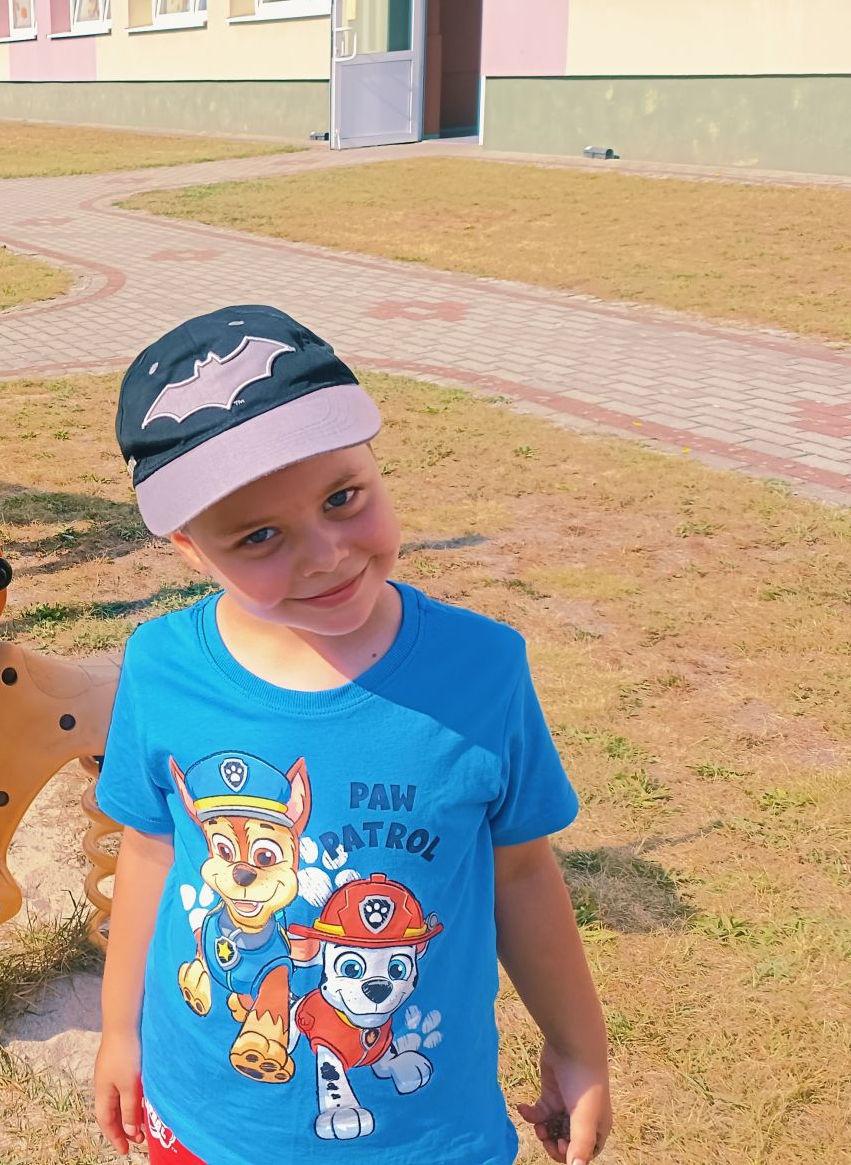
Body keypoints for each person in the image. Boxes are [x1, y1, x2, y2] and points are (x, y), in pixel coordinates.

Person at [91, 305, 612, 1165]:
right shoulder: (161, 666)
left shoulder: (482, 669)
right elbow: (150, 853)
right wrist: (120, 1030)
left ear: (374, 462)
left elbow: (521, 873)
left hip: (426, 1135)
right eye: (259, 536)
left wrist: (578, 1046)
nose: (326, 554)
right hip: (211, 1122)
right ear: (189, 547)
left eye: (343, 498)